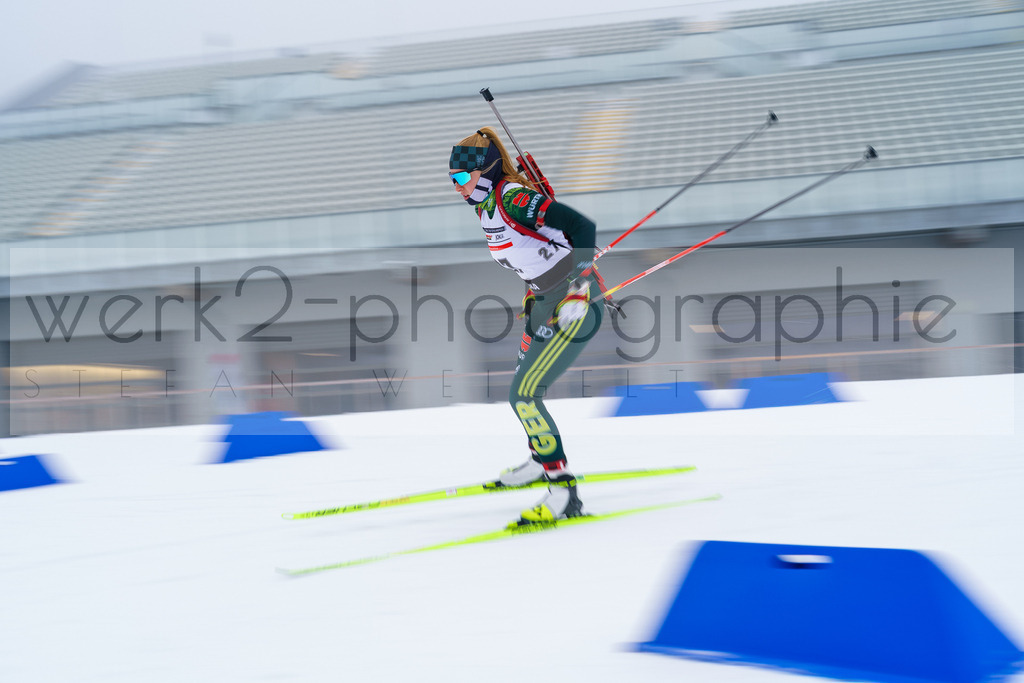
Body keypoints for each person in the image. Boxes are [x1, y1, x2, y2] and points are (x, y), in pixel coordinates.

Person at [449, 127, 603, 524]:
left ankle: (563, 490)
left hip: (574, 301)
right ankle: (540, 462)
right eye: (452, 180)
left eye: (462, 178)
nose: (457, 187)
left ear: (485, 172)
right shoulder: (485, 209)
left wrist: (582, 283)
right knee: (521, 388)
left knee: (524, 395)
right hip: (541, 302)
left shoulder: (514, 198)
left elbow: (583, 227)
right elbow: (533, 256)